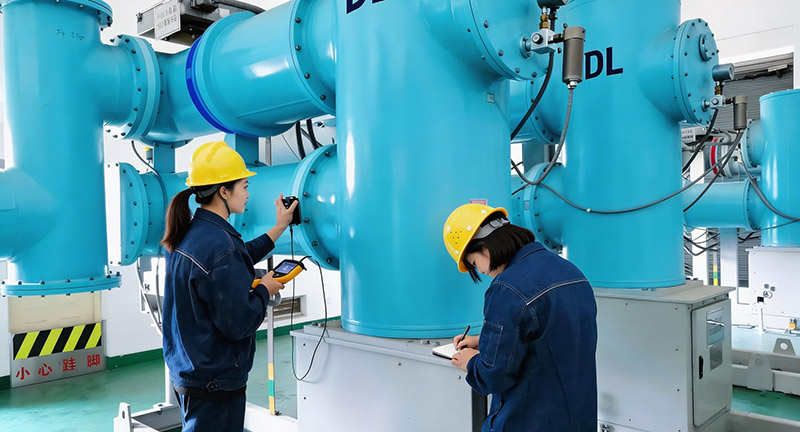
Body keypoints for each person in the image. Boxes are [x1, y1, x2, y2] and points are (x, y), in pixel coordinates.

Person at [160, 141, 298, 432]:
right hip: (216, 381)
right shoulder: (221, 246)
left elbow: (237, 255)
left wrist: (279, 226)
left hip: (189, 369)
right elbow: (239, 324)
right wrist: (265, 289)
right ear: (224, 191)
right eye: (244, 186)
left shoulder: (190, 232)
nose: (247, 194)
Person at [442, 203, 598, 432]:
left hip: (527, 421)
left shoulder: (507, 288)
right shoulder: (571, 272)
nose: (482, 272)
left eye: (474, 264)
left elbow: (493, 377)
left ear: (484, 247)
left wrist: (471, 362)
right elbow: (548, 336)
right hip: (577, 420)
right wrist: (484, 340)